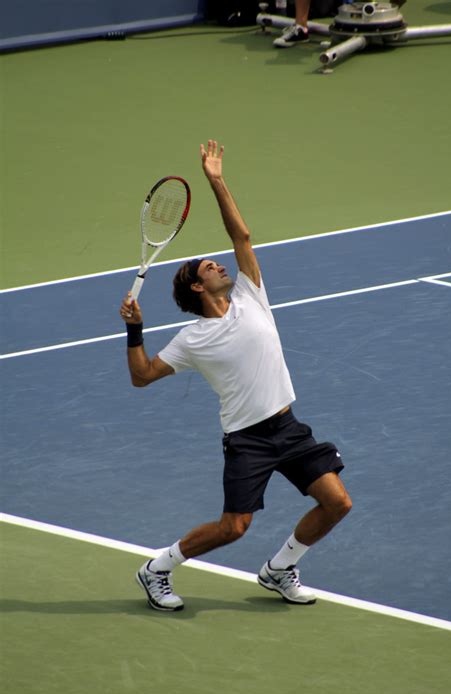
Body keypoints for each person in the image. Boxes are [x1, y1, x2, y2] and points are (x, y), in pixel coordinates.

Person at [120, 140, 352, 612]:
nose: (221, 264)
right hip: (247, 439)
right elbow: (142, 376)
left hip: (288, 426)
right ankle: (157, 568)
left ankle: (280, 568)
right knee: (234, 527)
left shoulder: (251, 295)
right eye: (210, 266)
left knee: (337, 503)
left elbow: (242, 238)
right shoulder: (191, 339)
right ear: (198, 287)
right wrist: (135, 330)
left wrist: (217, 180)